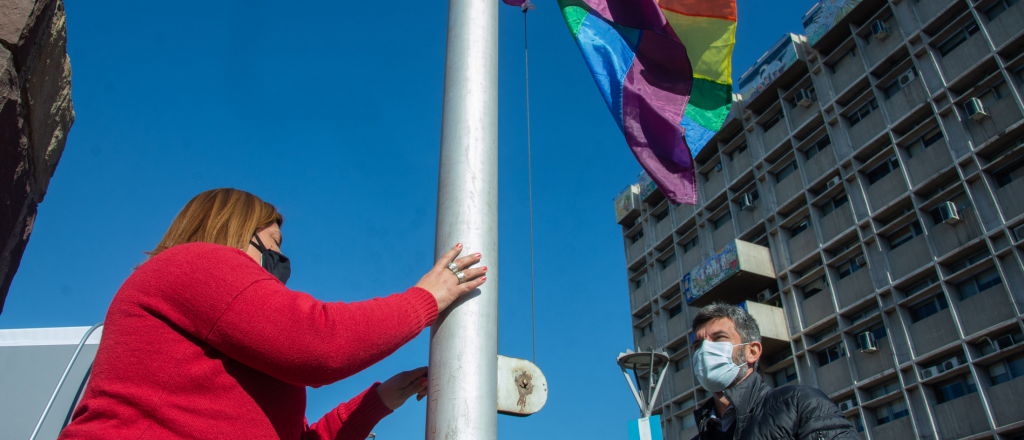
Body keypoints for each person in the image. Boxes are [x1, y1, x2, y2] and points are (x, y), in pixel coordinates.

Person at [59, 188, 487, 440]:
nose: (280, 259)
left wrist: (380, 400)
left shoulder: (232, 347)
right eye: (273, 244)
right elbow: (320, 343)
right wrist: (427, 297)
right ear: (231, 230)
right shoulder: (195, 263)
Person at [689, 302, 857, 440]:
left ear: (752, 352)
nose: (705, 351)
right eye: (698, 345)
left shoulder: (799, 404)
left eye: (719, 339)